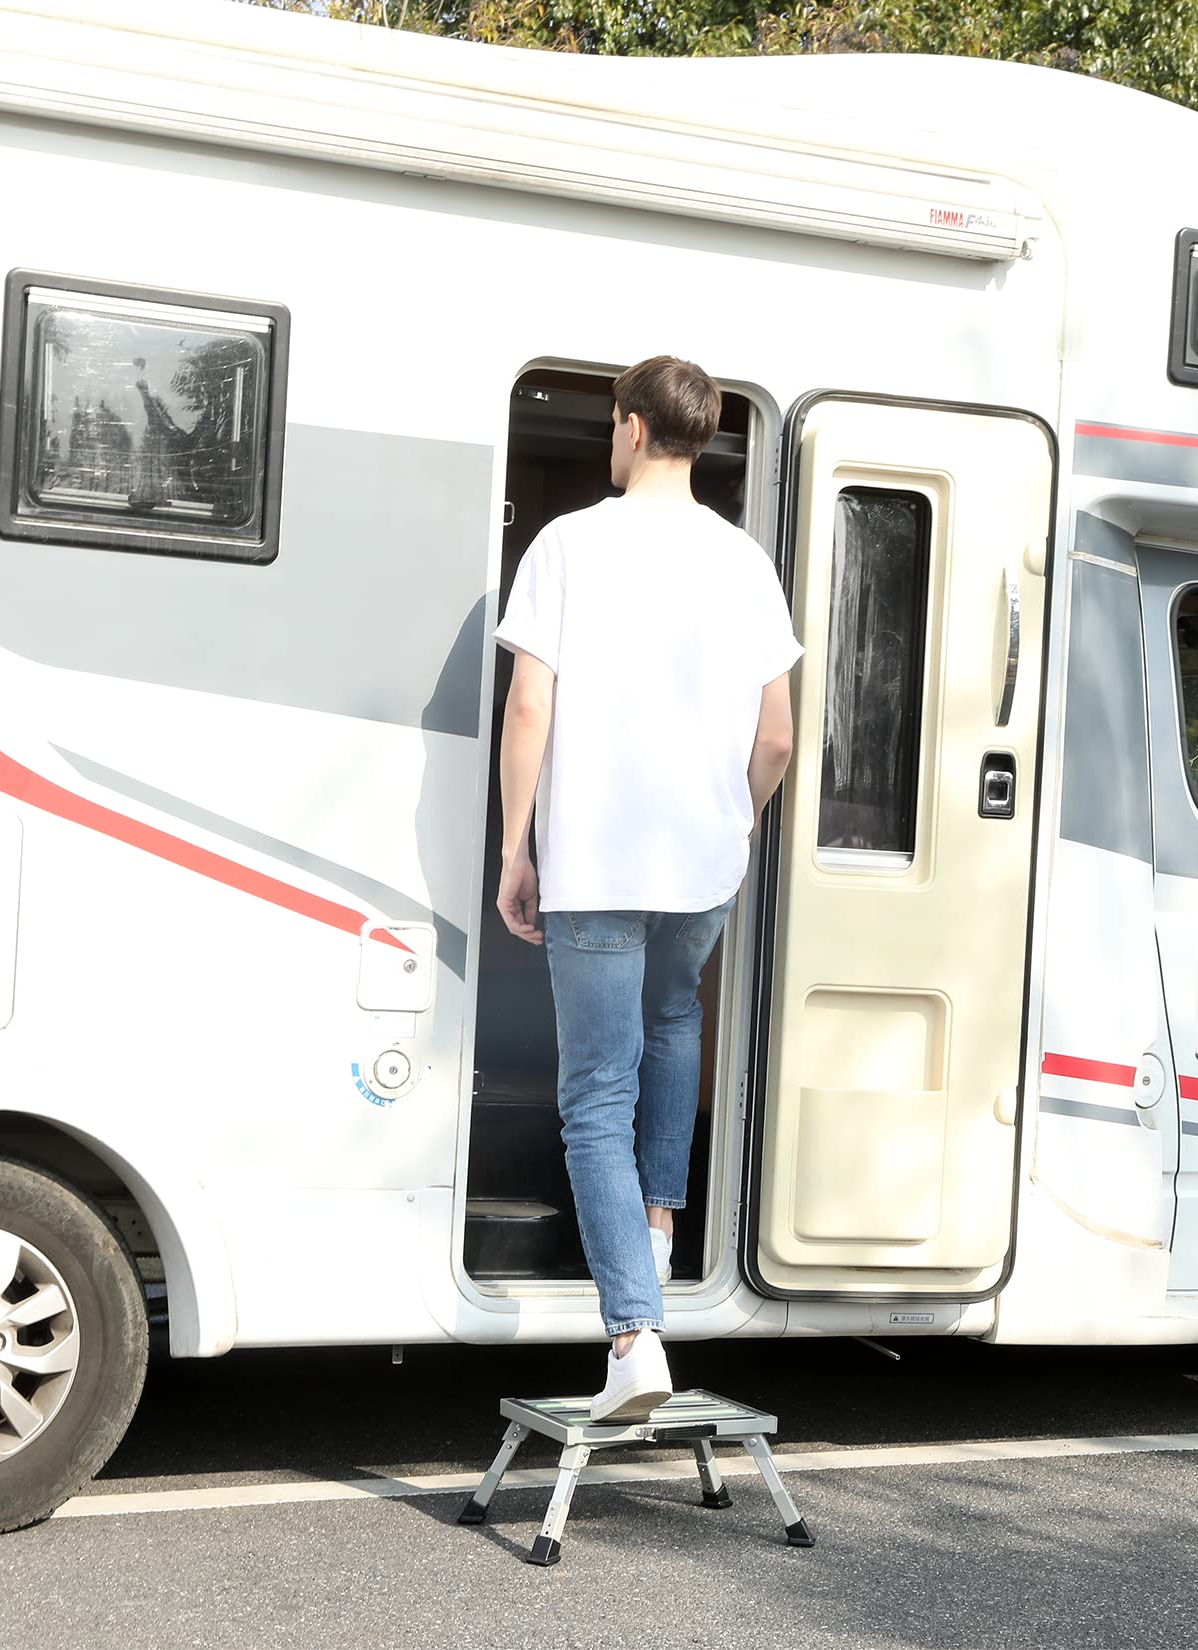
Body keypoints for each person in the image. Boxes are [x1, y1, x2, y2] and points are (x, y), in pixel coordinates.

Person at [493, 356, 802, 1422]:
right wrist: (741, 817)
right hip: (699, 861)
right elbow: (778, 734)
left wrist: (514, 847)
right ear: (704, 440)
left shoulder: (570, 544)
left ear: (630, 429)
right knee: (675, 1022)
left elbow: (530, 706)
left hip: (595, 861)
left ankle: (635, 1335)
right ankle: (660, 1226)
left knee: (594, 1095)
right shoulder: (744, 560)